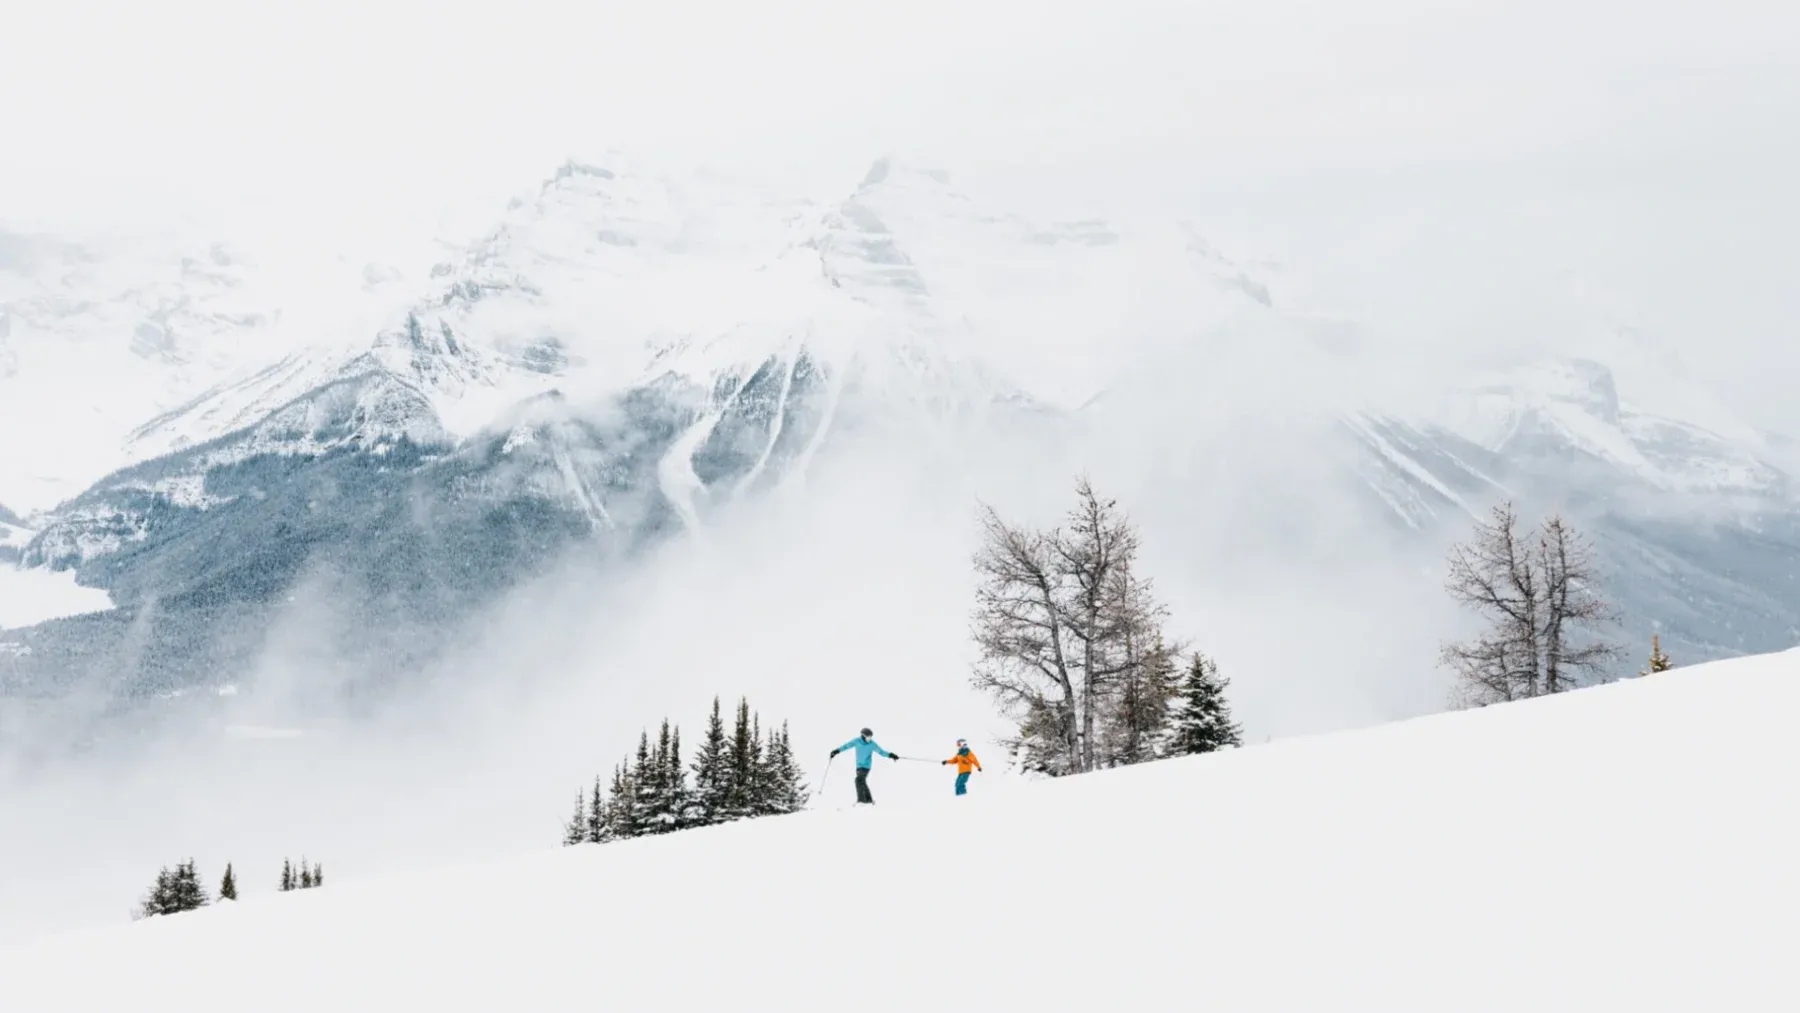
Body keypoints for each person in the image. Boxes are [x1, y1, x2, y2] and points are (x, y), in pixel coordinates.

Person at [830, 727, 898, 804]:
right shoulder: (857, 741)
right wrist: (836, 751)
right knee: (862, 782)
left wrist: (891, 755)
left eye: (870, 737)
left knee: (858, 780)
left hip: (866, 766)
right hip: (858, 766)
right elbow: (846, 746)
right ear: (863, 736)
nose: (870, 739)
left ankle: (861, 801)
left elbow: (881, 752)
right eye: (868, 737)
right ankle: (869, 800)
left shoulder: (872, 744)